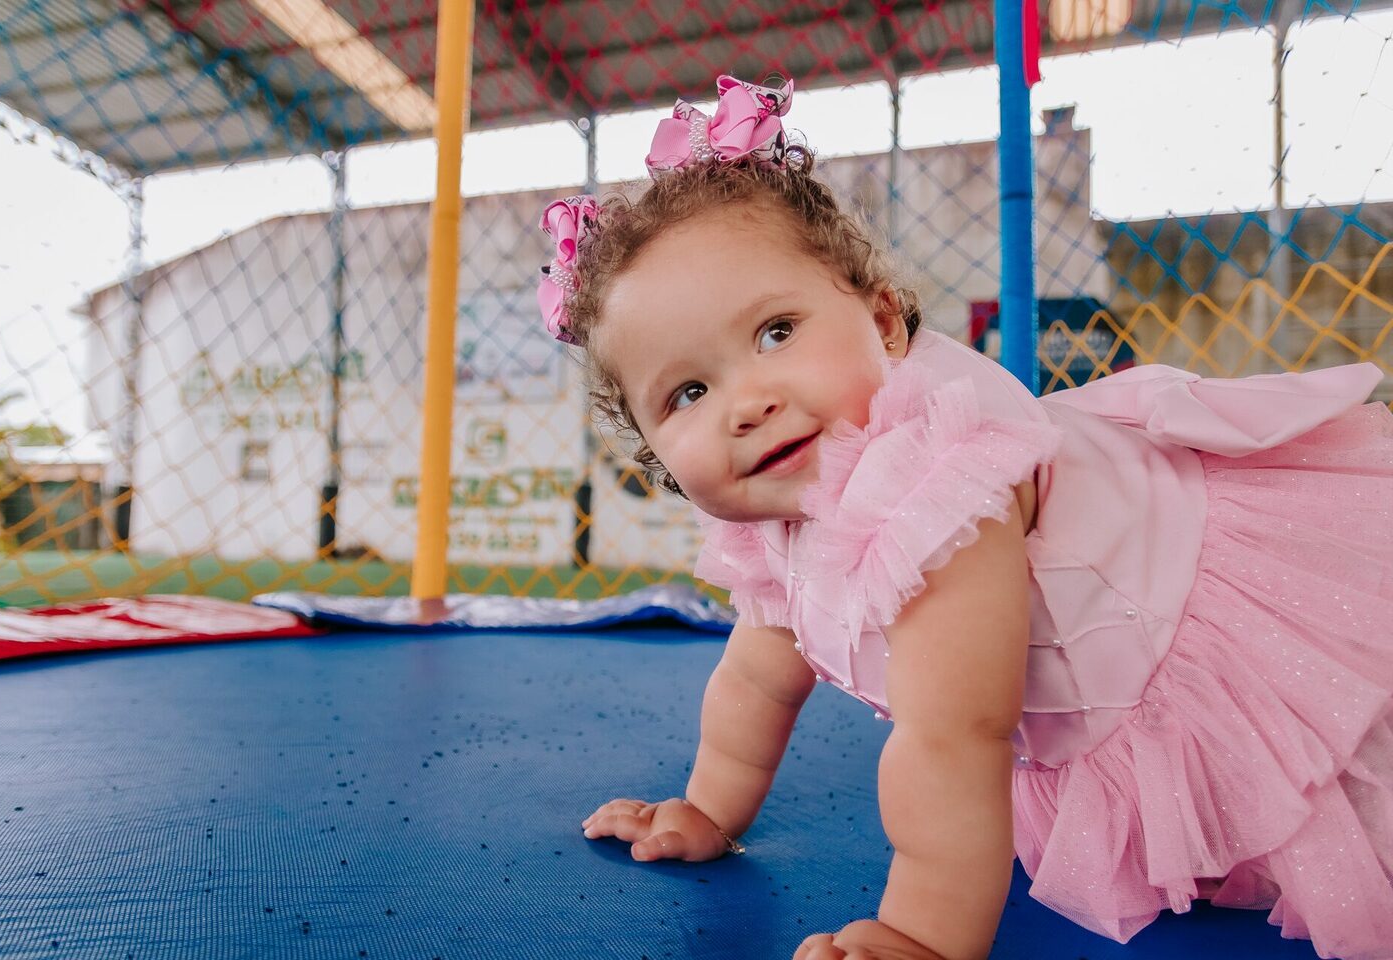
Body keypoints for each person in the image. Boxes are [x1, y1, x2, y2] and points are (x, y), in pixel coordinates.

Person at [542, 74, 1393, 960]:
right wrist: (710, 809)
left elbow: (957, 735)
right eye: (686, 392)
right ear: (651, 450)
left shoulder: (946, 485)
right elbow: (758, 679)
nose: (745, 403)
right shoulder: (776, 519)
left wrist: (923, 934)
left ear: (883, 321)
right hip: (1102, 688)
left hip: (1215, 639)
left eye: (775, 334)